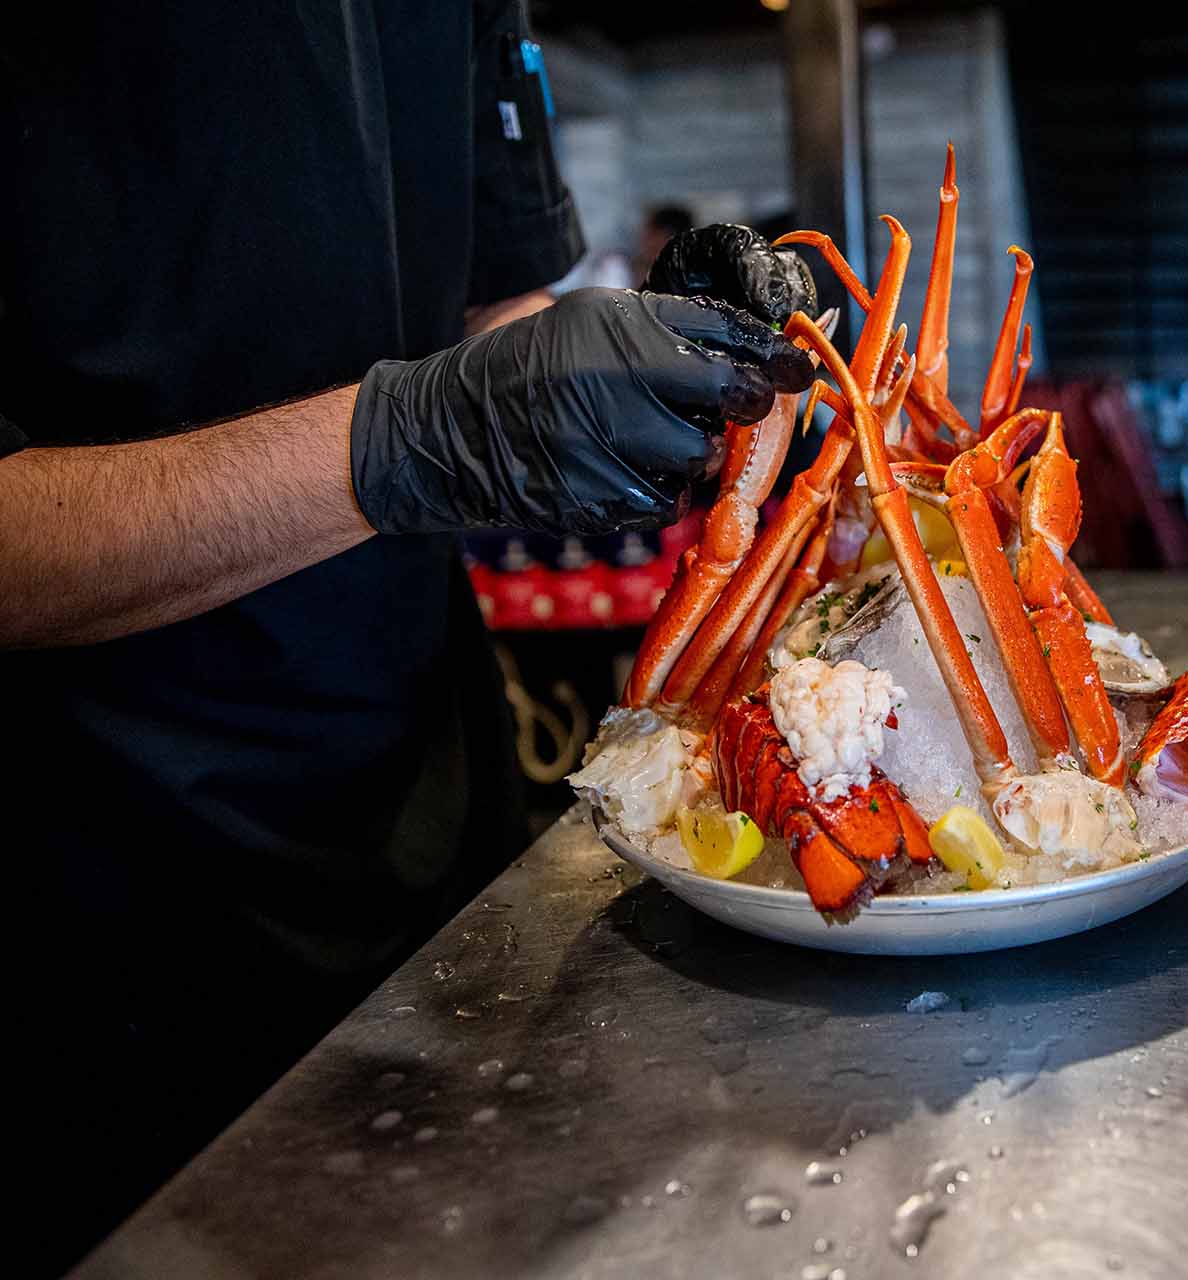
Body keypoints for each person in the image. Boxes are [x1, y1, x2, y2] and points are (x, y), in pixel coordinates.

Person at [0, 7, 814, 1270]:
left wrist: (652, 364)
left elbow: (498, 303)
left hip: (435, 829)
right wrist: (397, 442)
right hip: (93, 918)